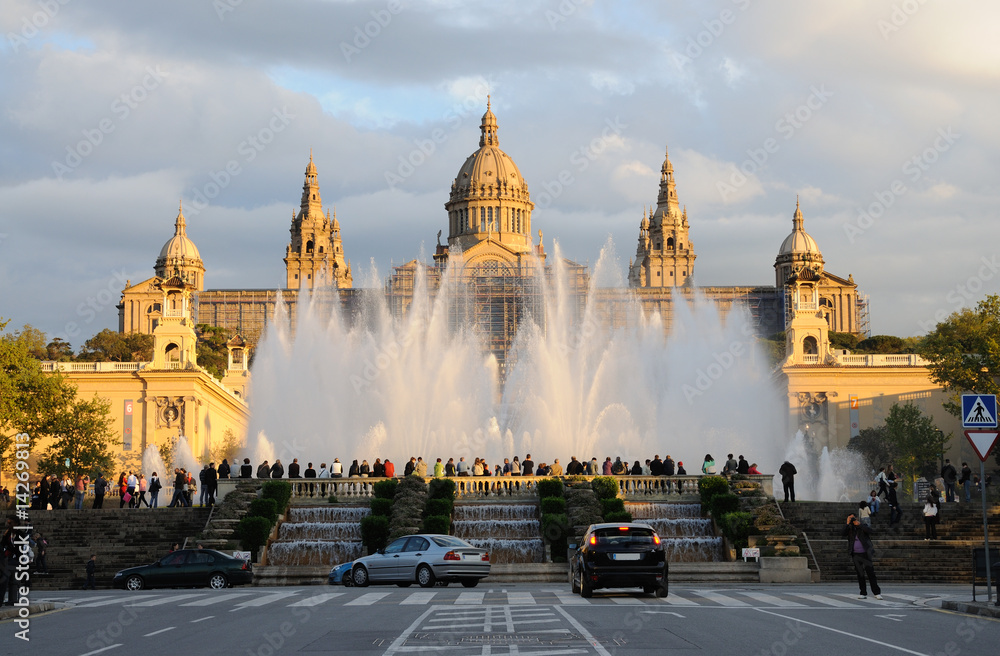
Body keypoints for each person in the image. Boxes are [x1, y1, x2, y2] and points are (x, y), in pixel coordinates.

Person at [842, 513, 882, 600]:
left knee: (870, 573)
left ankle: (876, 592)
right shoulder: (849, 528)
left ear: (857, 518)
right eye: (851, 518)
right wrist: (847, 523)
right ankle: (863, 592)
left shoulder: (862, 525)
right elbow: (842, 533)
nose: (853, 519)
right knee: (860, 574)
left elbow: (870, 531)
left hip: (866, 553)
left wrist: (858, 524)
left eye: (853, 518)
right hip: (855, 554)